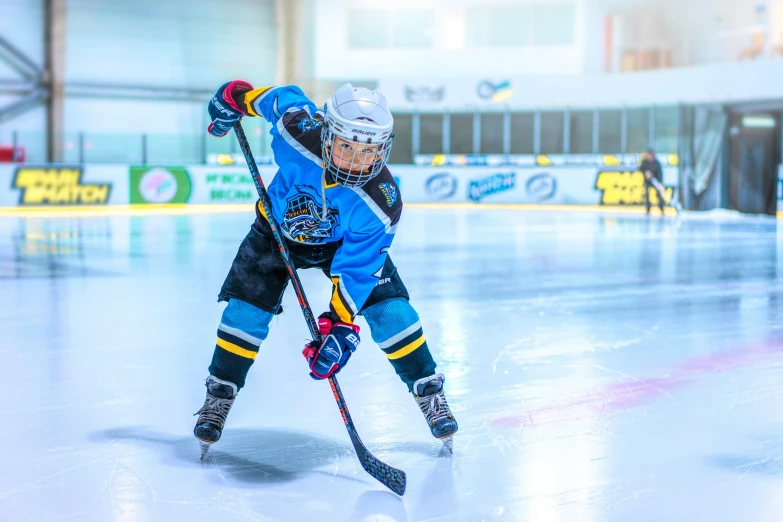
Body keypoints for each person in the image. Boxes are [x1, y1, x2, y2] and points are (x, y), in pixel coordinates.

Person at [193, 81, 459, 457]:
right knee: (244, 312)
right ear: (327, 133)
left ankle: (428, 390)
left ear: (382, 148)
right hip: (277, 233)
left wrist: (337, 325)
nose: (355, 159)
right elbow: (281, 100)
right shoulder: (297, 135)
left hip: (340, 246)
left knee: (392, 312)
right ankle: (219, 393)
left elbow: (358, 270)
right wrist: (238, 97)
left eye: (368, 150)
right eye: (347, 145)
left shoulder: (381, 200)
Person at [640, 148, 665, 215]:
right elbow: (641, 168)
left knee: (659, 195)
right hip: (647, 182)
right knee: (646, 194)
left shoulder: (656, 163)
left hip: (655, 181)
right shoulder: (644, 162)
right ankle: (648, 209)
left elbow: (660, 173)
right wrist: (645, 172)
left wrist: (660, 183)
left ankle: (661, 208)